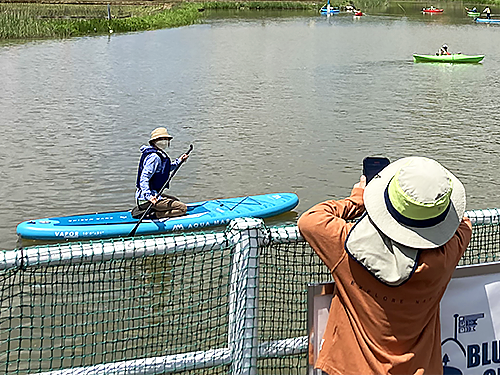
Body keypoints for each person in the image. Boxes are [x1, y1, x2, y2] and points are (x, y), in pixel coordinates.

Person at [298, 156, 472, 375]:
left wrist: (358, 200)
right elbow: (463, 223)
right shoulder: (447, 255)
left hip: (350, 369)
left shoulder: (347, 247)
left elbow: (310, 220)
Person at [133, 127, 189, 219]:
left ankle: (154, 209)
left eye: (166, 139)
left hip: (152, 194)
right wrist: (149, 197)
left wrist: (180, 160)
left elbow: (167, 168)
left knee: (176, 201)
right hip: (146, 199)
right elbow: (144, 178)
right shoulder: (154, 157)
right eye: (162, 139)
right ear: (154, 141)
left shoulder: (159, 154)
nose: (165, 142)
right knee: (182, 208)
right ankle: (154, 215)